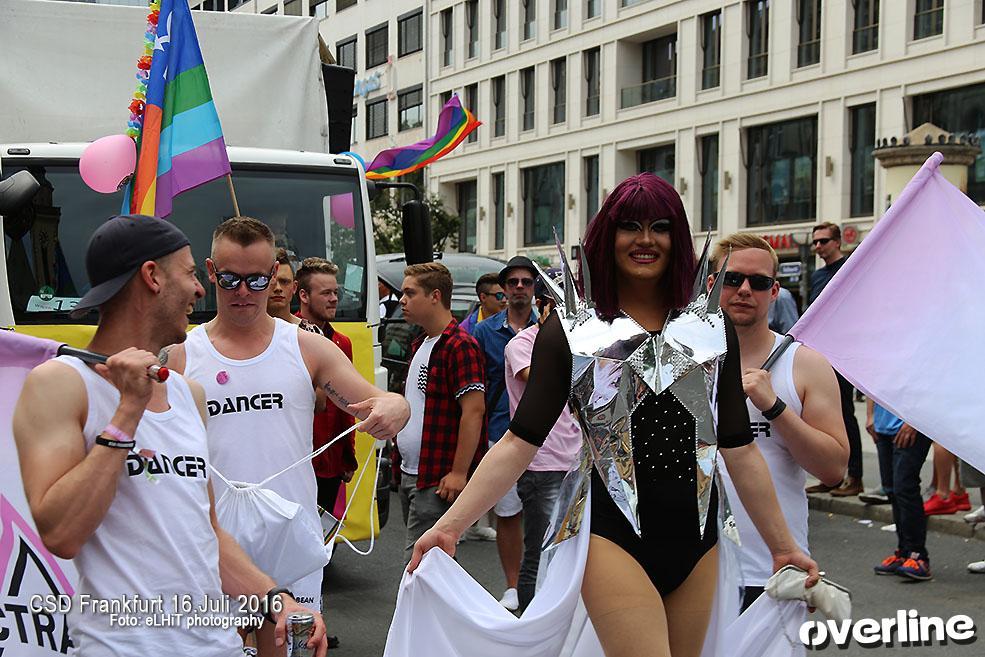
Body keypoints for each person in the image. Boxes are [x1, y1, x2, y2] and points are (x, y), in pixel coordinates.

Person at [409, 174, 818, 657]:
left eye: (660, 226)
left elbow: (738, 445)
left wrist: (782, 546)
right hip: (610, 535)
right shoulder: (573, 329)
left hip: (701, 540)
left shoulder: (711, 327)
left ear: (677, 237)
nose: (645, 240)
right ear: (609, 235)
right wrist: (450, 526)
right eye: (631, 226)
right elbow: (520, 441)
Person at [13, 215, 327, 657]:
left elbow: (208, 533)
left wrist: (278, 600)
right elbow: (61, 533)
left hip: (214, 643)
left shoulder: (188, 393)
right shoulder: (60, 384)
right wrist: (127, 413)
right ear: (152, 277)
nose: (201, 290)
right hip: (124, 646)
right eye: (191, 273)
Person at [165, 216, 409, 655]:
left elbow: (379, 400)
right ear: (209, 271)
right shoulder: (182, 356)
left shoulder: (306, 347)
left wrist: (395, 407)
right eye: (230, 279)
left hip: (290, 542)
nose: (243, 292)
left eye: (258, 280)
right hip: (212, 544)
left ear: (278, 276)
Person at [710, 233, 848, 611]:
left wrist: (774, 407)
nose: (744, 290)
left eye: (759, 283)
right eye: (733, 279)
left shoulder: (804, 364)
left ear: (774, 292)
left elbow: (834, 469)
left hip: (773, 572)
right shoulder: (682, 365)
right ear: (713, 285)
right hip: (691, 570)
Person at [392, 262, 487, 562]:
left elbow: (473, 411)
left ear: (434, 296)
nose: (401, 300)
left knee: (420, 567)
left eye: (409, 293)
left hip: (436, 477)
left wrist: (459, 472)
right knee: (432, 568)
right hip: (413, 472)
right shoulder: (421, 343)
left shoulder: (460, 345)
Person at [503, 273, 581, 613]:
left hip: (575, 460)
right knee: (540, 548)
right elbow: (540, 379)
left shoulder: (576, 345)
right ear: (543, 306)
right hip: (540, 462)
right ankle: (530, 622)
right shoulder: (521, 344)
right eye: (562, 308)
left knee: (571, 550)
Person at [472, 255, 539, 611]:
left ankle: (542, 581)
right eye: (512, 282)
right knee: (508, 513)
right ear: (503, 288)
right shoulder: (483, 333)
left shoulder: (552, 329)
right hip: (501, 430)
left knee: (548, 512)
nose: (518, 288)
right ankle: (512, 585)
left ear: (535, 288)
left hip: (548, 436)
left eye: (526, 282)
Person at [804, 222, 864, 497]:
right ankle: (832, 477)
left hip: (843, 354)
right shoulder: (817, 276)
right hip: (819, 355)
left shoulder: (851, 268)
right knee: (822, 417)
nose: (818, 246)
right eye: (815, 241)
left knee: (846, 415)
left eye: (824, 241)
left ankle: (855, 476)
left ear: (837, 242)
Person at [296, 257, 359, 514]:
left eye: (336, 292)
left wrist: (348, 455)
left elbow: (348, 403)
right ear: (304, 295)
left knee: (322, 544)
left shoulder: (342, 343)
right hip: (296, 460)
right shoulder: (285, 336)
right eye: (326, 293)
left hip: (330, 460)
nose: (334, 298)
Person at [869, 402, 934, 581]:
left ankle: (918, 556)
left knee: (905, 487)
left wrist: (914, 421)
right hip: (882, 422)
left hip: (911, 423)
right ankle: (904, 552)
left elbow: (925, 385)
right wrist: (870, 415)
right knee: (892, 490)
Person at [266, 248, 322, 334]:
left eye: (284, 282)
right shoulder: (244, 332)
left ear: (294, 287)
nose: (278, 288)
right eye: (272, 282)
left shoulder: (311, 332)